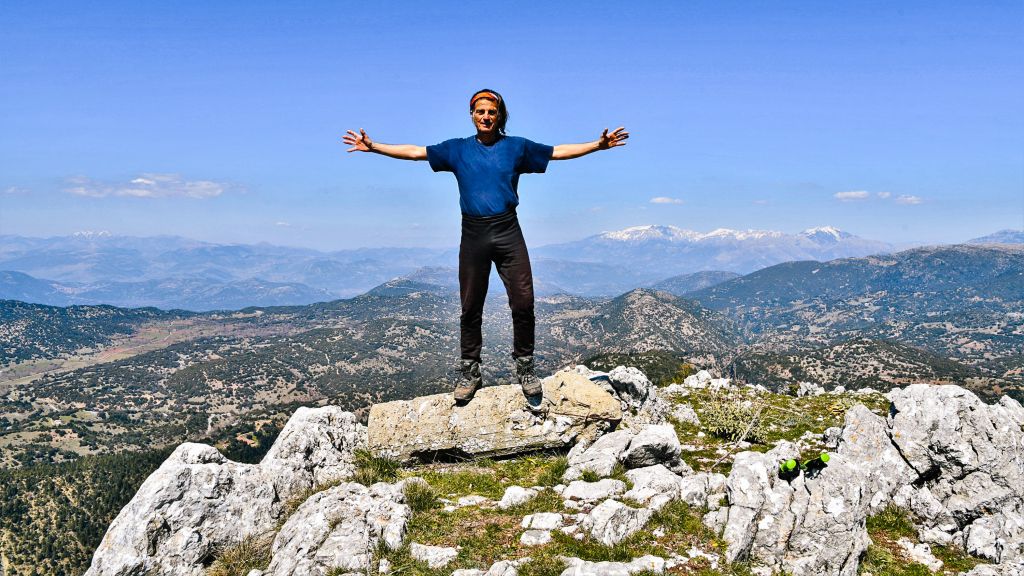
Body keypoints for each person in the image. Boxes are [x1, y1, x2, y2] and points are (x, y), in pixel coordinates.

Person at [342, 89, 628, 404]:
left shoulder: (516, 148)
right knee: (470, 306)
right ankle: (470, 372)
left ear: (499, 116)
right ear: (472, 115)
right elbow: (414, 152)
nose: (486, 117)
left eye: (491, 112)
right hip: (474, 234)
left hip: (508, 230)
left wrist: (597, 146)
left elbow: (557, 152)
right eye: (480, 112)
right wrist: (374, 147)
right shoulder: (457, 150)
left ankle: (526, 368)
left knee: (523, 302)